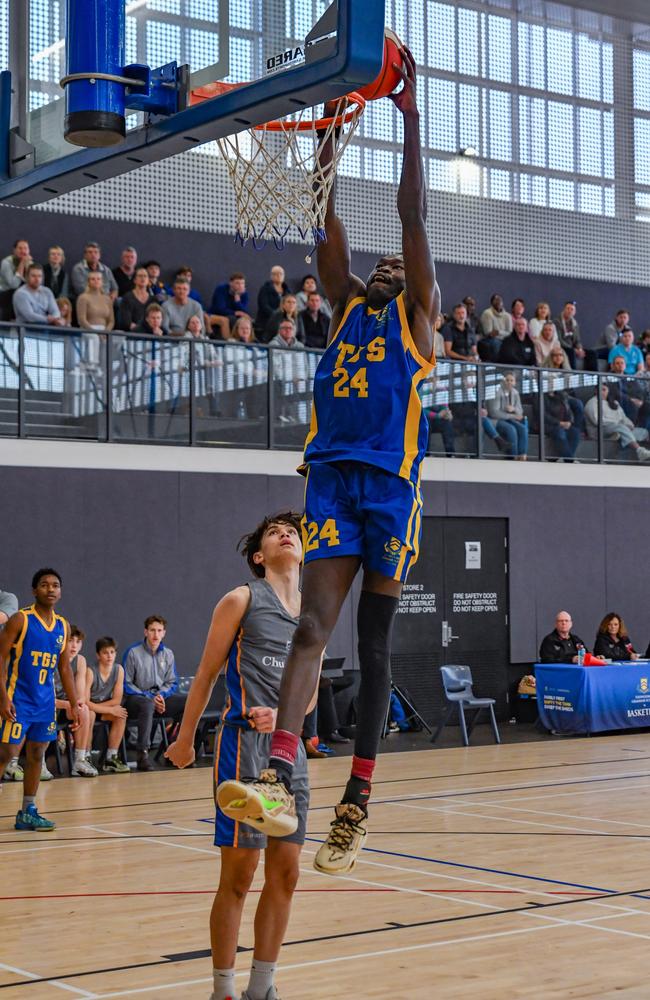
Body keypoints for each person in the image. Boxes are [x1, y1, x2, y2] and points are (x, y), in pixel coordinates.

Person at [217, 46, 438, 877]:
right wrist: (328, 133)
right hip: (333, 477)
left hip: (391, 487)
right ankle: (279, 773)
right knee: (313, 627)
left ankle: (358, 800)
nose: (384, 264)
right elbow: (324, 226)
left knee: (375, 647)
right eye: (373, 264)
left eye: (396, 265)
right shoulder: (345, 306)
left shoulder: (417, 320)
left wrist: (409, 122)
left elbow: (412, 223)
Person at [166, 512, 312, 1000]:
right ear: (258, 554)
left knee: (287, 872)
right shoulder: (242, 599)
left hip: (290, 753)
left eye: (292, 531)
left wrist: (290, 713)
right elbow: (205, 674)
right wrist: (185, 740)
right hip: (243, 747)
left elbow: (310, 692)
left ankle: (262, 987)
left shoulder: (315, 612)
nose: (285, 534)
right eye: (274, 532)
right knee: (240, 873)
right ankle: (222, 990)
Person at [0, 568, 81, 830]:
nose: (50, 589)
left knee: (37, 753)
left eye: (55, 585)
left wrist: (73, 703)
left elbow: (65, 668)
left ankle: (28, 810)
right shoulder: (20, 620)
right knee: (6, 753)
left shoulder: (62, 626)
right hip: (17, 699)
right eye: (44, 585)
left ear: (60, 591)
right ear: (34, 590)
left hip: (44, 703)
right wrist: (2, 697)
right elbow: (0, 660)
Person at [122, 614, 185, 771]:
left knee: (188, 703)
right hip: (136, 698)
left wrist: (160, 696)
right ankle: (142, 755)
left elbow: (172, 682)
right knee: (147, 704)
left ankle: (177, 750)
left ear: (164, 633)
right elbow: (126, 683)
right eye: (152, 630)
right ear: (145, 632)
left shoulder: (168, 654)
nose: (155, 635)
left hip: (159, 697)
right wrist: (150, 697)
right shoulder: (133, 653)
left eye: (159, 631)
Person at [54, 625, 97, 777]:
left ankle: (79, 760)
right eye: (71, 640)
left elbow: (80, 696)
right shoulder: (53, 657)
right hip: (50, 705)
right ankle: (42, 764)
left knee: (85, 710)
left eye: (78, 642)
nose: (74, 645)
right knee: (47, 710)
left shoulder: (80, 661)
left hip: (67, 707)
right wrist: (68, 705)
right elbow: (45, 698)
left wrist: (75, 707)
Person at [87, 636, 130, 773]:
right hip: (90, 709)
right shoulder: (90, 671)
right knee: (90, 714)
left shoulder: (119, 670)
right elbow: (85, 702)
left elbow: (117, 700)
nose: (109, 656)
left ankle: (111, 758)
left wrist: (109, 710)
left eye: (112, 652)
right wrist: (109, 710)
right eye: (105, 652)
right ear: (98, 655)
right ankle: (86, 757)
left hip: (102, 709)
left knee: (121, 715)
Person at [585, 382, 650, 461]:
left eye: (604, 390)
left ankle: (622, 452)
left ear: (608, 391)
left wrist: (630, 425)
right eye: (599, 390)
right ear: (595, 391)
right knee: (621, 428)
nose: (601, 392)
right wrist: (618, 424)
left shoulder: (614, 403)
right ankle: (640, 451)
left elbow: (623, 417)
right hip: (601, 431)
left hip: (618, 430)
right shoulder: (592, 403)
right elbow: (597, 421)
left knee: (643, 432)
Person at [486, 372, 528, 460]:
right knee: (511, 429)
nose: (509, 382)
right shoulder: (496, 392)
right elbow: (493, 413)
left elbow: (520, 411)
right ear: (502, 381)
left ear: (515, 383)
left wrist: (513, 409)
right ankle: (513, 457)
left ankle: (522, 455)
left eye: (511, 380)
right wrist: (512, 416)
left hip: (508, 419)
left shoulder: (515, 393)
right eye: (507, 380)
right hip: (495, 420)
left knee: (523, 428)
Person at [209, 272, 250, 340]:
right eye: (237, 283)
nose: (240, 286)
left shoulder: (244, 293)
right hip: (217, 314)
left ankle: (246, 342)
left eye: (242, 283)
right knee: (232, 319)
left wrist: (237, 301)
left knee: (247, 320)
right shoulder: (221, 289)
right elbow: (219, 309)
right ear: (231, 283)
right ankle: (230, 342)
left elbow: (244, 311)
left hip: (232, 315)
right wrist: (235, 313)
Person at [256, 265, 289, 339]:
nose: (279, 276)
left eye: (281, 274)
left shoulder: (288, 291)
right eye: (276, 274)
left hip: (284, 320)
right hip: (266, 320)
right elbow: (263, 305)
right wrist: (276, 315)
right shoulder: (265, 289)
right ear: (271, 276)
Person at [117, 266, 155, 331]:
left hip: (149, 332)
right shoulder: (127, 297)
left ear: (149, 281)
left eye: (145, 276)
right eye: (140, 276)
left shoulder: (153, 299)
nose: (143, 278)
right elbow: (126, 322)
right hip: (132, 333)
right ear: (134, 280)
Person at [478, 293, 512, 361]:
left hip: (505, 340)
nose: (498, 302)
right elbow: (488, 332)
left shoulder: (507, 316)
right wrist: (504, 334)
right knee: (496, 344)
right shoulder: (487, 313)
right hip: (490, 340)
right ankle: (497, 366)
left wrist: (499, 332)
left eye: (500, 300)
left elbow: (510, 333)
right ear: (491, 303)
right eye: (496, 300)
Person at [554, 301, 585, 369]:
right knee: (571, 352)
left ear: (574, 312)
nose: (569, 311)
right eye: (568, 308)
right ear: (564, 310)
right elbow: (559, 340)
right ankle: (573, 375)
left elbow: (577, 340)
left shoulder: (575, 324)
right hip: (562, 347)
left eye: (572, 309)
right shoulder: (557, 321)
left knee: (591, 353)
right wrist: (574, 350)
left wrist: (579, 349)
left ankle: (592, 376)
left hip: (573, 347)